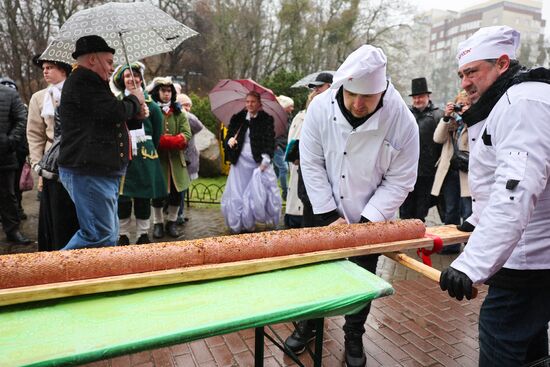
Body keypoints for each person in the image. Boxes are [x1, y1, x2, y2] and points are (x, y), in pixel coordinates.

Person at [284, 45, 419, 367]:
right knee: (315, 271)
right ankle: (309, 324)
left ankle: (354, 333)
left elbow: (401, 179)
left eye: (367, 98)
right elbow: (312, 162)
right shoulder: (319, 108)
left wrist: (367, 221)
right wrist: (328, 213)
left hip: (370, 215)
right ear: (342, 85)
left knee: (363, 277)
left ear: (383, 91)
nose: (358, 104)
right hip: (321, 209)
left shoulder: (402, 121)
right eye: (352, 94)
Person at [439, 25, 550, 366]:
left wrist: (472, 265)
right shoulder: (512, 99)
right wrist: (476, 220)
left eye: (472, 72)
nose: (465, 83)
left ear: (502, 64)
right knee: (530, 346)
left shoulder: (521, 104)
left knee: (499, 337)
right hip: (534, 254)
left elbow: (515, 190)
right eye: (461, 74)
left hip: (528, 259)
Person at [58, 35, 146, 250]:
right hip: (89, 171)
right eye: (108, 62)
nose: (111, 68)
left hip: (97, 170)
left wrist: (135, 116)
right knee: (99, 235)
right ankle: (49, 273)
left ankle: (91, 279)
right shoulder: (83, 81)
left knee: (107, 234)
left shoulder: (93, 82)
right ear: (92, 59)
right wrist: (135, 99)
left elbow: (104, 121)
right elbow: (112, 111)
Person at [27, 55, 79, 251]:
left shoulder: (78, 92)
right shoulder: (39, 98)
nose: (45, 71)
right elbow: (34, 134)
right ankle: (56, 249)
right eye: (44, 68)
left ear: (64, 70)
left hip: (77, 156)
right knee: (55, 209)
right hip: (52, 160)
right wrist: (36, 163)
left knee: (76, 207)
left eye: (50, 67)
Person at [111, 62, 165, 246]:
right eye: (127, 76)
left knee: (143, 198)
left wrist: (148, 148)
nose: (132, 79)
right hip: (122, 156)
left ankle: (143, 233)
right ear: (122, 80)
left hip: (145, 158)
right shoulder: (116, 103)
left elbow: (157, 133)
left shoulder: (153, 107)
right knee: (123, 198)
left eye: (135, 75)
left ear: (141, 79)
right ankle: (123, 233)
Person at [221, 91, 279, 233]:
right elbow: (228, 136)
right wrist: (229, 140)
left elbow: (270, 140)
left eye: (253, 102)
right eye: (247, 102)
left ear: (259, 103)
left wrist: (266, 158)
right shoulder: (238, 118)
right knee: (238, 192)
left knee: (255, 192)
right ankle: (239, 223)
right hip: (240, 160)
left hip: (256, 161)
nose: (250, 104)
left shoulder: (266, 119)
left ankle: (251, 220)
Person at [147, 77, 192, 239]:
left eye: (169, 91)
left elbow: (186, 134)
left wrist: (167, 141)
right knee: (157, 195)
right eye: (163, 91)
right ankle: (158, 223)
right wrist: (162, 141)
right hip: (158, 161)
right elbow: (150, 135)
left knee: (176, 194)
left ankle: (171, 222)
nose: (166, 94)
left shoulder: (179, 112)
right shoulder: (151, 110)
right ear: (157, 92)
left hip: (176, 162)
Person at [431, 90, 472, 254]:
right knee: (450, 211)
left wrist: (470, 117)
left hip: (467, 173)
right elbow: (437, 138)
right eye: (459, 104)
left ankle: (470, 247)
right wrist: (446, 117)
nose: (462, 108)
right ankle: (451, 245)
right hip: (449, 172)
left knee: (469, 212)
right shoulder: (452, 123)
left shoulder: (475, 122)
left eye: (466, 104)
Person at [399, 77, 443, 222]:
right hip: (406, 170)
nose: (418, 100)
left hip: (427, 171)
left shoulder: (437, 115)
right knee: (405, 209)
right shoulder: (405, 114)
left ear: (428, 97)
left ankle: (419, 240)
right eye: (415, 97)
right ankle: (405, 241)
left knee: (421, 210)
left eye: (421, 97)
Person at [0, 81, 31, 244]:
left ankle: (12, 231)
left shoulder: (9, 94)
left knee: (8, 195)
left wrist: (9, 141)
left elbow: (21, 119)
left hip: (4, 154)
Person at [175, 93, 204, 225]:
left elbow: (198, 126)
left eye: (189, 105)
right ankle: (175, 214)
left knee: (183, 188)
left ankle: (179, 213)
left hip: (188, 158)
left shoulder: (188, 118)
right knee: (177, 189)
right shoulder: (177, 116)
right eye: (185, 105)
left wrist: (184, 112)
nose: (188, 108)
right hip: (176, 157)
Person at [273, 95, 294, 200]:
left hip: (284, 146)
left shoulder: (288, 118)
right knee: (284, 168)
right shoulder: (277, 117)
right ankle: (285, 192)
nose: (292, 108)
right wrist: (275, 145)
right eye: (290, 106)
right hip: (277, 147)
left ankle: (268, 190)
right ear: (285, 106)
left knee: (276, 171)